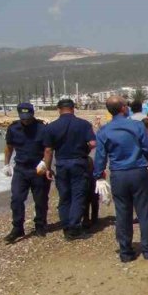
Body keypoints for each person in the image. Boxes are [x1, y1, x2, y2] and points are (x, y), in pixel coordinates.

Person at [94, 96, 148, 262]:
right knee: (145, 211)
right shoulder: (137, 126)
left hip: (118, 173)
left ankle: (126, 251)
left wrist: (99, 176)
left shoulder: (104, 130)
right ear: (123, 108)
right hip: (138, 170)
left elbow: (100, 157)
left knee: (123, 213)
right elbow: (147, 148)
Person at [40, 98, 96, 240]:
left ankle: (66, 226)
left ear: (59, 109)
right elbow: (93, 143)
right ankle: (74, 227)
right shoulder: (83, 124)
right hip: (79, 161)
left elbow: (48, 150)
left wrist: (47, 168)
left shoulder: (51, 127)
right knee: (78, 195)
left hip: (61, 163)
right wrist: (85, 151)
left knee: (64, 196)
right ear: (73, 108)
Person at [3, 103, 51, 243]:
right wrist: (6, 164)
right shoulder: (13, 128)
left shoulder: (42, 128)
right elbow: (9, 147)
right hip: (21, 169)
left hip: (38, 168)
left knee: (40, 200)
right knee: (17, 199)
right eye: (23, 117)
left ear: (32, 114)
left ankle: (40, 225)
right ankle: (17, 227)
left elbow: (48, 148)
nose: (26, 120)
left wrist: (45, 164)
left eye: (28, 117)